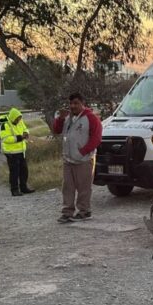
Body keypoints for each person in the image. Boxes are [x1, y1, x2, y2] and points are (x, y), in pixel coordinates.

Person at [53, 93, 102, 223]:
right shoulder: (67, 117)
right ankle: (67, 212)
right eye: (71, 103)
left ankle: (84, 211)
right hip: (68, 159)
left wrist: (83, 152)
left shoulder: (90, 118)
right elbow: (57, 130)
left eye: (75, 103)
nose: (72, 106)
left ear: (82, 103)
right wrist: (60, 119)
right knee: (67, 187)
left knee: (84, 187)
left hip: (84, 159)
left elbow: (96, 138)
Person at [0, 108, 35, 196]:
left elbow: (25, 128)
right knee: (14, 172)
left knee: (24, 171)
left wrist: (26, 133)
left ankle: (24, 187)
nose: (19, 120)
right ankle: (14, 190)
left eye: (19, 118)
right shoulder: (4, 125)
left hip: (21, 151)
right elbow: (5, 139)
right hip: (11, 153)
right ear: (13, 118)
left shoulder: (20, 121)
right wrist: (19, 138)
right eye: (17, 118)